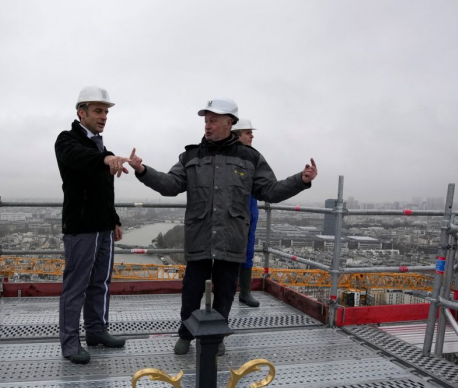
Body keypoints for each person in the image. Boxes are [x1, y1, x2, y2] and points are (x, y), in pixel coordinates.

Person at [128, 98, 317, 355]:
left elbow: (269, 190)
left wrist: (301, 180)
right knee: (191, 290)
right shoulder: (191, 156)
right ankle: (186, 334)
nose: (208, 125)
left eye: (214, 120)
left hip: (231, 238)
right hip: (199, 235)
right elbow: (170, 185)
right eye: (206, 121)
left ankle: (216, 337)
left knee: (226, 290)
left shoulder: (250, 158)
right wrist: (142, 170)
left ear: (230, 123)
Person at [54, 85, 131, 364]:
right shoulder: (67, 140)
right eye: (98, 111)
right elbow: (79, 158)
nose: (104, 116)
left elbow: (103, 191)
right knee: (76, 286)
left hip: (102, 227)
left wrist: (114, 220)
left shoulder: (100, 146)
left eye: (106, 111)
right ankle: (70, 343)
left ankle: (97, 331)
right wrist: (106, 158)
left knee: (100, 282)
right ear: (81, 112)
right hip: (81, 228)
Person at [232, 118, 260, 307]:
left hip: (250, 208)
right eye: (248, 132)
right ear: (237, 135)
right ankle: (224, 292)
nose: (252, 135)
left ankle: (245, 292)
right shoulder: (229, 157)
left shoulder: (254, 156)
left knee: (248, 250)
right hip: (234, 210)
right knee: (228, 251)